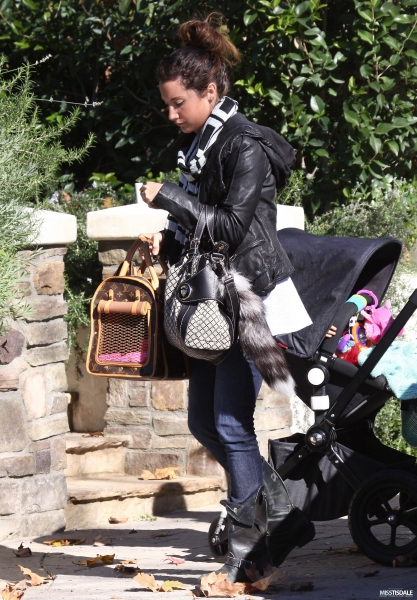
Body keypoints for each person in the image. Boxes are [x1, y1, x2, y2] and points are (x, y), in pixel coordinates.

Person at [140, 14, 314, 582]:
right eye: (167, 105)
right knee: (203, 423)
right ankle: (283, 513)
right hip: (209, 303)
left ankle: (247, 550)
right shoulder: (200, 146)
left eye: (178, 103)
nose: (171, 115)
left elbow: (234, 227)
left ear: (210, 93)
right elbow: (202, 231)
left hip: (245, 298)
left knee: (232, 425)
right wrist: (167, 240)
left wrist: (170, 198)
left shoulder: (244, 144)